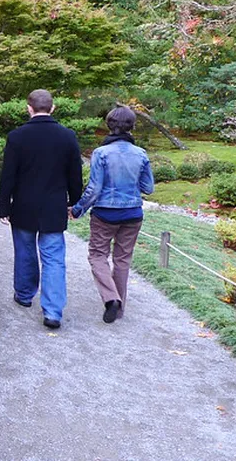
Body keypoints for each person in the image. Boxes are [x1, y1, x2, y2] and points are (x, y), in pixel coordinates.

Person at [0, 89, 83, 329]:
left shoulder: (17, 137)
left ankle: (24, 295)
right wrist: (74, 203)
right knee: (54, 258)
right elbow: (75, 175)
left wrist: (3, 205)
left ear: (29, 108)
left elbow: (8, 176)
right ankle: (53, 311)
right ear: (52, 108)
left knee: (25, 252)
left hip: (23, 206)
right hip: (54, 207)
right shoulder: (67, 136)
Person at [70, 106, 155, 324]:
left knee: (98, 255)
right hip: (133, 213)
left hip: (105, 214)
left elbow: (95, 188)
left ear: (109, 125)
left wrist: (78, 209)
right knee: (122, 259)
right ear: (132, 127)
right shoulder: (141, 154)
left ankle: (110, 298)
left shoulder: (101, 153)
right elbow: (148, 187)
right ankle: (119, 309)